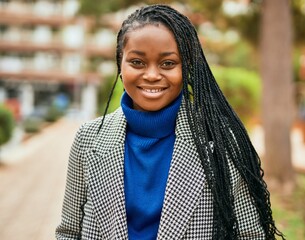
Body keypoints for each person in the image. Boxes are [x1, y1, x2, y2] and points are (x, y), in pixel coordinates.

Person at [55, 4, 284, 240]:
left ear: (187, 68)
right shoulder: (88, 139)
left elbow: (250, 235)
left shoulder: (221, 142)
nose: (152, 75)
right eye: (137, 62)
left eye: (168, 63)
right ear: (120, 65)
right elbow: (69, 231)